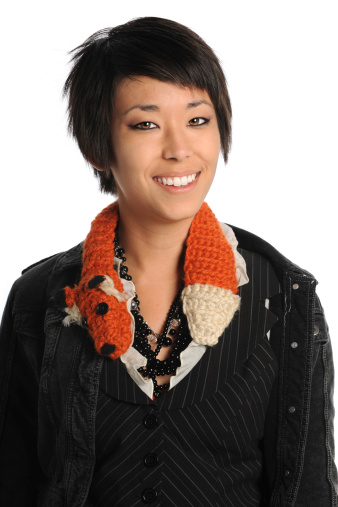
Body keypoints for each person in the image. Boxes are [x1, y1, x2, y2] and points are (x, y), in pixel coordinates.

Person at [0, 16, 336, 507]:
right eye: (146, 123)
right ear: (98, 146)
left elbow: (309, 490)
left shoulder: (283, 297)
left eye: (198, 120)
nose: (180, 149)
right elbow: (12, 482)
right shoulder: (40, 302)